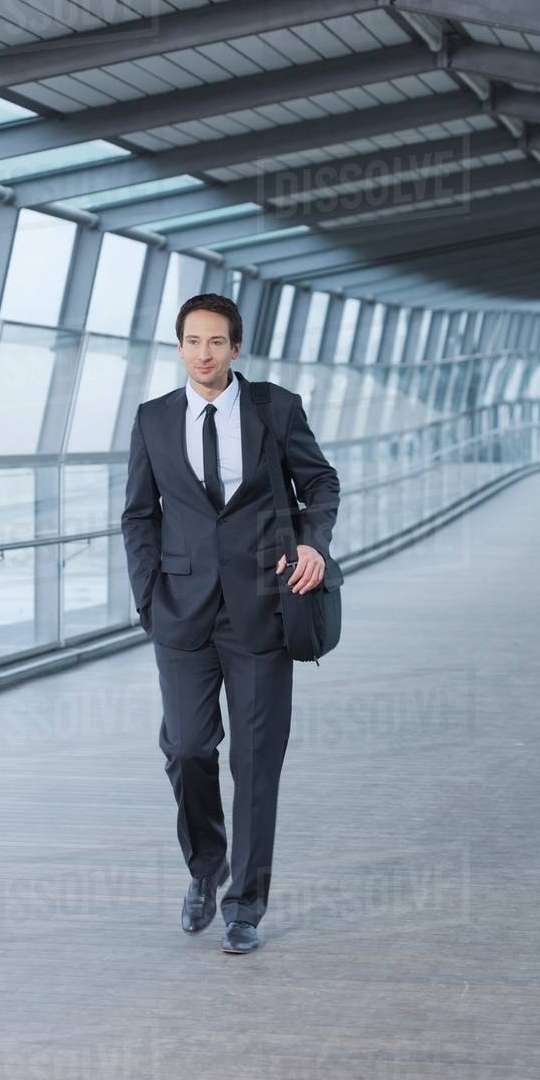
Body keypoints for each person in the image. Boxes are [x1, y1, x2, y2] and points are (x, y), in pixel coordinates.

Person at [121, 293, 340, 954]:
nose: (204, 353)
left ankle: (245, 904)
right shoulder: (154, 420)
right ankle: (205, 868)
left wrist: (314, 545)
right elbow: (138, 515)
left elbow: (320, 483)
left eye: (217, 342)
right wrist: (148, 600)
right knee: (187, 750)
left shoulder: (275, 408)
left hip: (262, 608)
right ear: (180, 347)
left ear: (235, 348)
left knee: (255, 763)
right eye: (192, 341)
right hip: (181, 615)